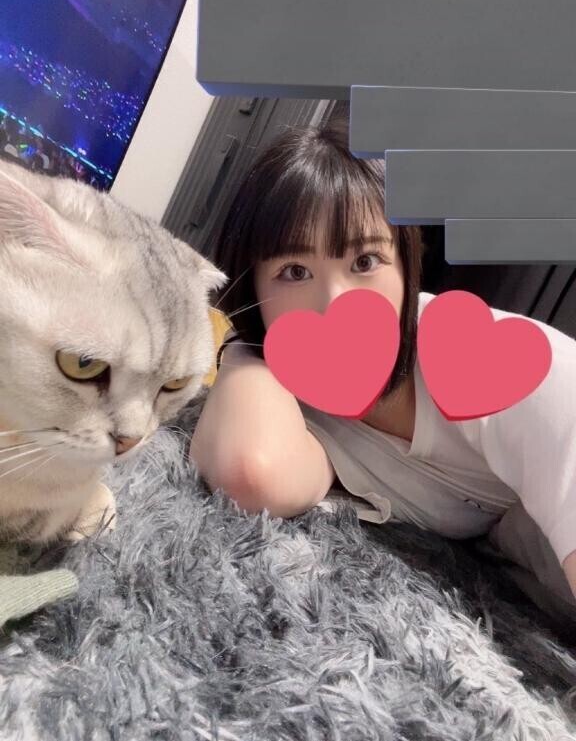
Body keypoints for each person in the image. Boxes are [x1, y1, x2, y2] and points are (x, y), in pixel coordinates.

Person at [190, 117, 576, 624]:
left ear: (406, 265)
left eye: (366, 261)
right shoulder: (296, 403)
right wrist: (246, 348)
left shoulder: (513, 368)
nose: (336, 303)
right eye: (294, 272)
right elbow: (252, 474)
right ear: (253, 288)